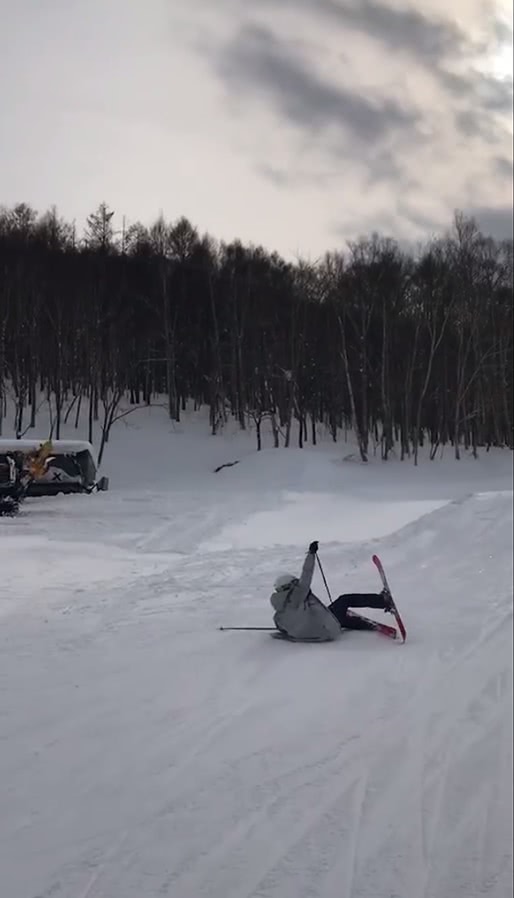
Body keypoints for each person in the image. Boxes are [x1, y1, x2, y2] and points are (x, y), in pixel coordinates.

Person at [270, 540, 393, 641]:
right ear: (290, 585)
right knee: (344, 600)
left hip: (316, 635)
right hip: (326, 631)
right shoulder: (297, 594)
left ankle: (356, 623)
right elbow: (306, 574)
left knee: (338, 617)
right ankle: (383, 601)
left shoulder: (278, 616)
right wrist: (311, 554)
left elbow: (284, 631)